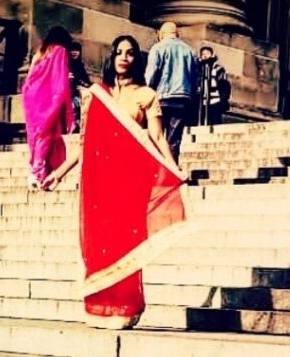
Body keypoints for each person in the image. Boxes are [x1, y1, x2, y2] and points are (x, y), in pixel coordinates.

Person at [44, 35, 187, 329]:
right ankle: (98, 305)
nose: (124, 57)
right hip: (101, 182)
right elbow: (85, 144)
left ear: (138, 59)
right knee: (101, 242)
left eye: (131, 53)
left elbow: (157, 137)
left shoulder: (146, 95)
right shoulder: (97, 96)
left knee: (125, 241)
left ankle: (126, 306)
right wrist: (59, 172)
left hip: (131, 180)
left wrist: (175, 169)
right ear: (112, 57)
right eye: (119, 52)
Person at [20, 26, 74, 188]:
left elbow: (29, 76)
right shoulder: (60, 51)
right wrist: (66, 105)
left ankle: (39, 173)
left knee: (35, 136)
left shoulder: (40, 52)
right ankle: (37, 173)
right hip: (48, 97)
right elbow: (60, 80)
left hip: (31, 97)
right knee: (47, 135)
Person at [146, 21, 199, 161]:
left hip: (161, 98)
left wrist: (147, 91)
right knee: (174, 139)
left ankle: (156, 168)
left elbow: (151, 75)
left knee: (156, 136)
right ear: (177, 34)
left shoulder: (158, 48)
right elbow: (195, 79)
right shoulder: (190, 51)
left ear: (161, 34)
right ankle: (171, 169)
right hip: (182, 99)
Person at [197, 44, 230, 125]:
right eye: (203, 54)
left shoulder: (218, 69)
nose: (205, 56)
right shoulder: (199, 69)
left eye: (207, 53)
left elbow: (224, 86)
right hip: (202, 102)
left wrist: (223, 101)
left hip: (215, 101)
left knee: (215, 122)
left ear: (212, 54)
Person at [68, 40, 92, 132]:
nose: (74, 52)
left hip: (78, 94)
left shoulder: (80, 66)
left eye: (77, 50)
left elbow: (85, 81)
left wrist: (85, 85)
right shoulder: (67, 65)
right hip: (69, 94)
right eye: (72, 50)